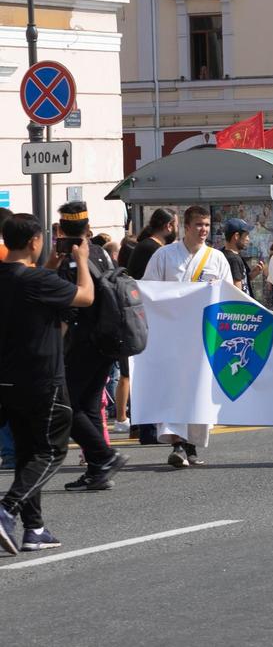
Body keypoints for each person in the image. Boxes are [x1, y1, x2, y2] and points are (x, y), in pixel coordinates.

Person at [0, 213, 94, 555]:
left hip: (7, 380)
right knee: (52, 450)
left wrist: (52, 266)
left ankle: (34, 529)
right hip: (42, 378)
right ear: (34, 242)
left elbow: (31, 295)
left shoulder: (21, 278)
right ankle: (7, 509)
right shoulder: (36, 280)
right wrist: (81, 260)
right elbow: (85, 296)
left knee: (27, 454)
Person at [143, 205, 232, 468]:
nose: (203, 230)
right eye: (198, 225)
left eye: (207, 225)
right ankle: (178, 443)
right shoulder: (165, 256)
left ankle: (191, 444)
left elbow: (229, 294)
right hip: (172, 334)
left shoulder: (216, 258)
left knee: (200, 388)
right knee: (174, 386)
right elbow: (149, 290)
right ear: (186, 226)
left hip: (204, 336)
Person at [53, 202, 128, 495]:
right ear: (87, 226)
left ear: (61, 229)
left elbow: (68, 310)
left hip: (82, 343)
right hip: (108, 340)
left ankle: (104, 456)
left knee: (65, 407)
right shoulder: (101, 253)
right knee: (89, 406)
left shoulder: (70, 261)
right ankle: (98, 470)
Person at [126, 207, 176, 279]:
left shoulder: (149, 245)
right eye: (176, 226)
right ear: (169, 226)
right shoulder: (152, 248)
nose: (176, 231)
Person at [220, 218, 252, 292]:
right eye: (246, 235)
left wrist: (254, 273)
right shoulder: (234, 259)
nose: (248, 239)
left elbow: (242, 280)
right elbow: (237, 291)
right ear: (236, 236)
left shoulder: (223, 254)